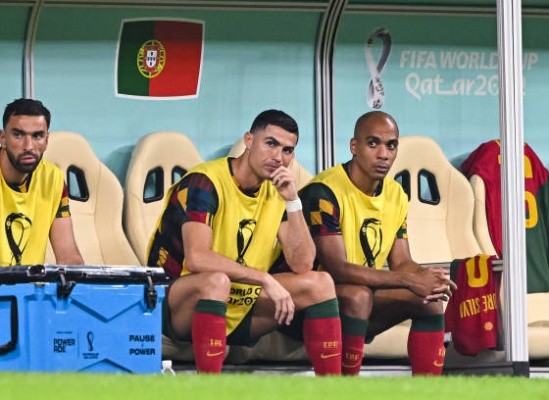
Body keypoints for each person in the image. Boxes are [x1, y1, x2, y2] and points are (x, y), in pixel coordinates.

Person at [147, 109, 342, 375]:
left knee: (321, 283)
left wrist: (292, 201)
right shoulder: (204, 183)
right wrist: (264, 279)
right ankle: (207, 387)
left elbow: (303, 263)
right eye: (271, 143)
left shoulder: (276, 191)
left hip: (240, 300)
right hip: (178, 305)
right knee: (216, 281)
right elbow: (197, 258)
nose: (278, 157)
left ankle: (333, 387)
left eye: (287, 150)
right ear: (249, 140)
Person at [299, 111, 456, 376]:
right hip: (314, 305)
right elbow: (337, 269)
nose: (383, 154)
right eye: (373, 144)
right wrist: (409, 280)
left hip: (364, 294)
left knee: (429, 300)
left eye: (391, 145)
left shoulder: (396, 194)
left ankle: (428, 391)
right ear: (354, 146)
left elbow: (402, 261)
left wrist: (426, 277)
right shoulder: (324, 191)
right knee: (357, 296)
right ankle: (343, 389)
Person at [0, 98, 83, 266]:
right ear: (3, 139)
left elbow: (67, 255)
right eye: (18, 135)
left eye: (37, 136)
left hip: (30, 283)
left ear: (46, 140)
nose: (28, 146)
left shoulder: (53, 179)